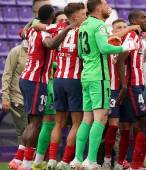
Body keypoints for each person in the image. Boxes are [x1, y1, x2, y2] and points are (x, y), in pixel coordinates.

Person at [69, 0, 137, 169]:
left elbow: (80, 52)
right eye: (106, 4)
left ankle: (78, 159)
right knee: (101, 117)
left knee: (87, 119)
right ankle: (91, 160)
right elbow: (104, 49)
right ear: (98, 7)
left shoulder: (83, 26)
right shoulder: (99, 25)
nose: (108, 7)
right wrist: (125, 47)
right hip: (99, 77)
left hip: (86, 75)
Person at [17, 4, 76, 170]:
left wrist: (33, 22)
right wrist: (67, 29)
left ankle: (20, 159)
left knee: (34, 121)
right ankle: (28, 162)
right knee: (35, 123)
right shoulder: (44, 32)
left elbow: (23, 31)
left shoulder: (32, 30)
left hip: (31, 78)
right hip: (37, 80)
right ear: (52, 16)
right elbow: (50, 44)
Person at [43, 3, 87, 170]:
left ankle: (52, 160)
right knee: (77, 123)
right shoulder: (83, 32)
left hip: (58, 80)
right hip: (75, 80)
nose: (86, 17)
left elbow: (40, 28)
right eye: (83, 14)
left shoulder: (58, 28)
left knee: (58, 123)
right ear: (75, 17)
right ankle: (65, 161)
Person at [103, 18, 142, 170]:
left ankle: (120, 163)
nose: (123, 29)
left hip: (126, 90)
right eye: (119, 27)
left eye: (125, 27)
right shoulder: (106, 43)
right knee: (112, 126)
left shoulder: (128, 46)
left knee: (126, 127)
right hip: (111, 89)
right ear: (112, 31)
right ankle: (107, 160)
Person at [116, 9, 146, 170]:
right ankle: (134, 163)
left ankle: (124, 162)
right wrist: (124, 85)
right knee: (144, 123)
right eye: (143, 18)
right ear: (133, 20)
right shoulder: (131, 36)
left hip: (137, 85)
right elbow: (121, 58)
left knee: (129, 125)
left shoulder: (137, 37)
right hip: (132, 86)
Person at [4, 40, 28, 170]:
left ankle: (24, 160)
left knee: (32, 130)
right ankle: (22, 161)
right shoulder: (16, 51)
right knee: (24, 130)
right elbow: (7, 74)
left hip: (33, 98)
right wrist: (5, 97)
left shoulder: (40, 49)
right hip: (17, 97)